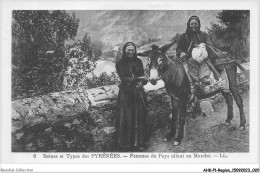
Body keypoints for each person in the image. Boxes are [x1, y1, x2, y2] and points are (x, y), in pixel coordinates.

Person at [115, 42, 149, 152]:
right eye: (128, 50)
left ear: (135, 50)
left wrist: (141, 83)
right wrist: (138, 79)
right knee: (127, 118)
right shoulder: (120, 63)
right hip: (126, 94)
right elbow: (124, 79)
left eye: (132, 50)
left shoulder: (138, 61)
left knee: (139, 118)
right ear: (125, 51)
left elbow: (143, 78)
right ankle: (126, 144)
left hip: (138, 93)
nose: (131, 52)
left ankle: (139, 143)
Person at [176, 15, 219, 101]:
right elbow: (178, 49)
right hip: (188, 59)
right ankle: (194, 85)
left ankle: (206, 82)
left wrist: (203, 47)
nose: (194, 26)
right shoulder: (184, 36)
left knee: (206, 64)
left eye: (195, 24)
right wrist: (181, 53)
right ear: (188, 25)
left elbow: (210, 45)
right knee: (190, 64)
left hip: (202, 58)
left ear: (198, 24)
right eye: (192, 24)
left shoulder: (203, 35)